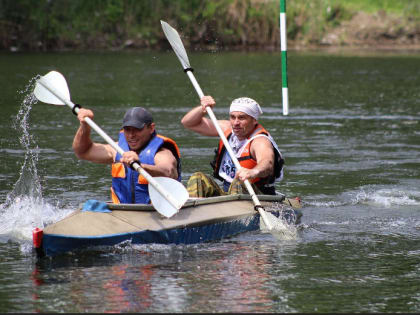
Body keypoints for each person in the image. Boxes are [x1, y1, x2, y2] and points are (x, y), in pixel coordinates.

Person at [72, 106, 182, 204]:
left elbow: (169, 171)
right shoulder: (117, 149)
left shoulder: (161, 152)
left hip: (155, 213)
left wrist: (140, 165)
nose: (131, 135)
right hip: (124, 214)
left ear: (151, 128)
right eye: (127, 130)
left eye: (137, 130)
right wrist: (85, 126)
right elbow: (83, 151)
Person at [181, 95, 284, 197]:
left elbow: (267, 164)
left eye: (242, 118)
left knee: (239, 182)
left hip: (257, 194)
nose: (236, 123)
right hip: (228, 192)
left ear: (254, 120)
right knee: (198, 179)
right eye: (232, 117)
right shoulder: (227, 129)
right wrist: (202, 109)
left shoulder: (260, 141)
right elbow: (188, 123)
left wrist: (253, 172)